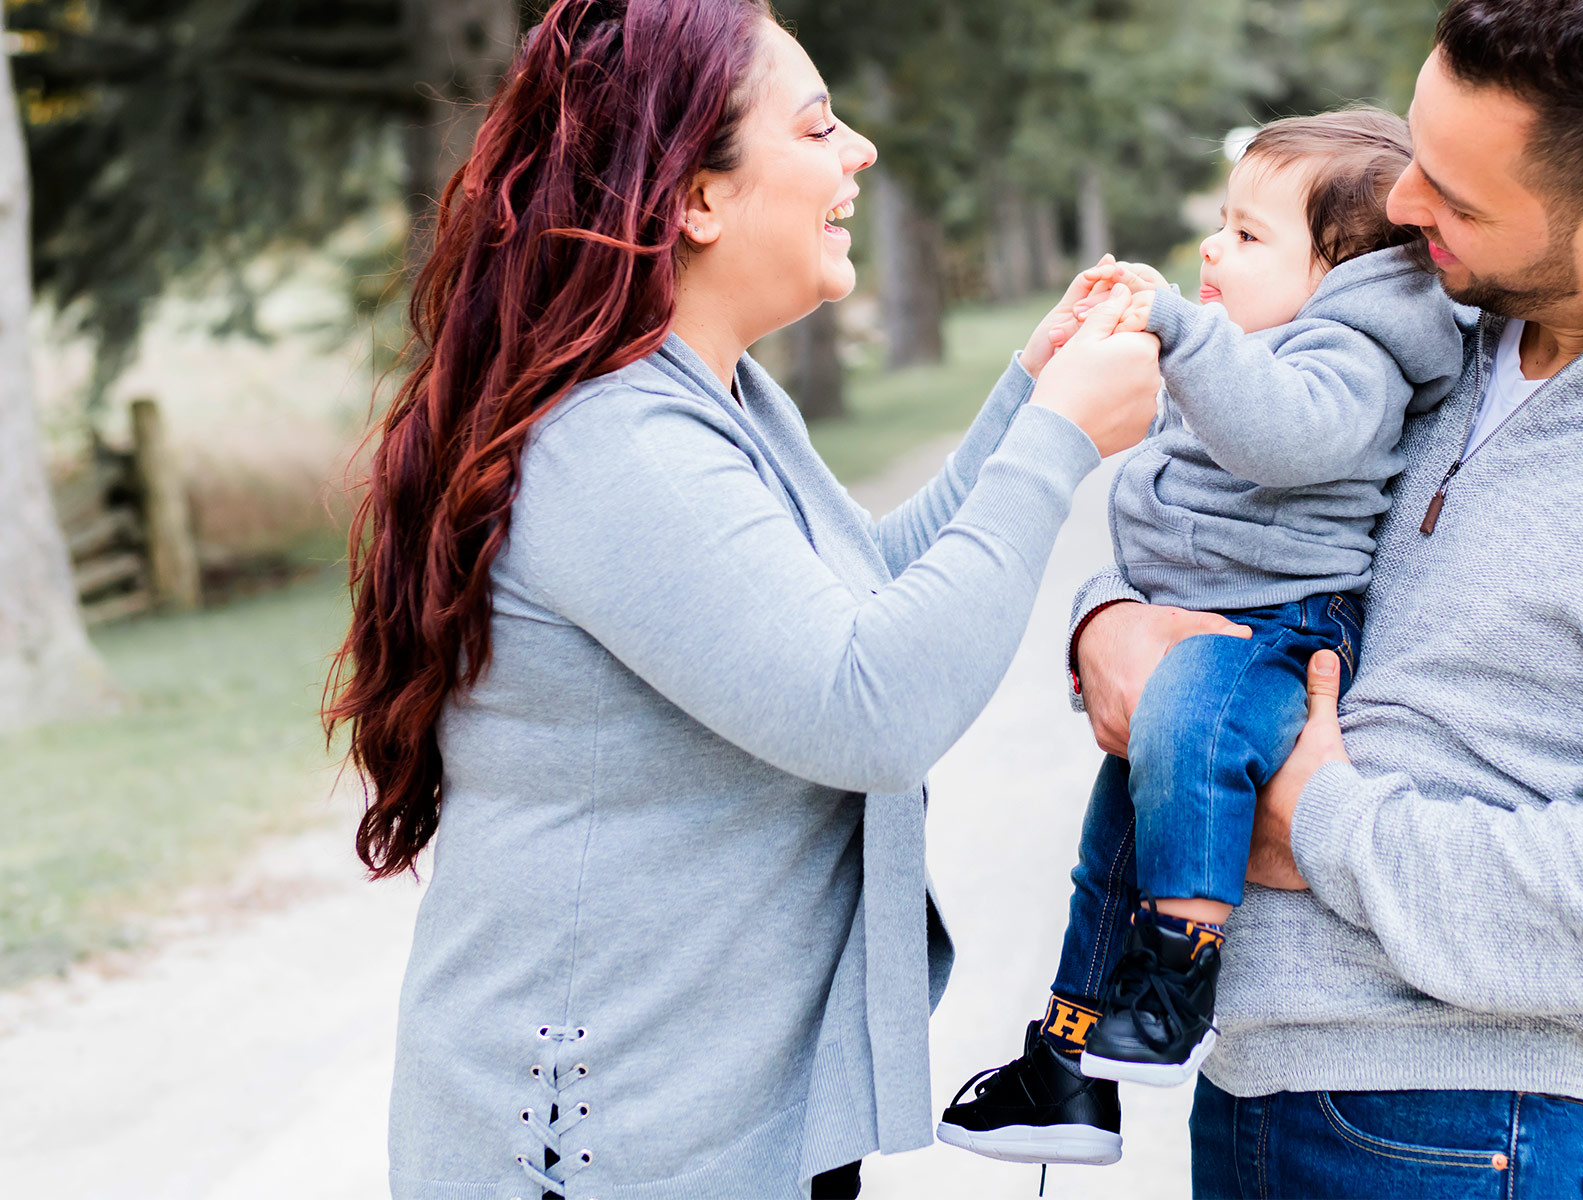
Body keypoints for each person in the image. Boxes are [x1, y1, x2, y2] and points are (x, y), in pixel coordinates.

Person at [322, 2, 1163, 1197]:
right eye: (819, 128)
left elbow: (864, 595)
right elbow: (868, 707)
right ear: (693, 200)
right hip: (611, 1152)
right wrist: (1062, 440)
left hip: (720, 1130)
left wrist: (1030, 395)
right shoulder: (617, 440)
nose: (859, 151)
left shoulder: (716, 399)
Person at [1065, 1, 1583, 1197]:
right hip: (1258, 1081)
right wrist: (1108, 620)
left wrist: (1324, 826)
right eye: (1419, 160)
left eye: (1457, 196)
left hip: (1463, 1123)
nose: (1399, 206)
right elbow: (1246, 516)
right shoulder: (1444, 327)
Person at [937, 108, 1460, 1169]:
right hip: (1212, 632)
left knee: (1186, 735)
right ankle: (1070, 1059)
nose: (1216, 250)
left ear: (1348, 269)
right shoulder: (1276, 341)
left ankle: (1177, 983)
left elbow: (1286, 436)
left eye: (1250, 236)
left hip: (1282, 634)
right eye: (1220, 226)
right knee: (1117, 835)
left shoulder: (1355, 353)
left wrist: (1184, 328)